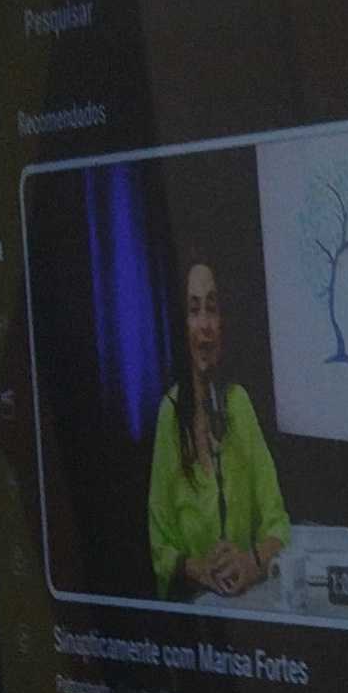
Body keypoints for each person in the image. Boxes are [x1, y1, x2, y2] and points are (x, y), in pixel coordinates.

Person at [147, 256, 290, 600]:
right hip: (193, 611)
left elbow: (278, 525)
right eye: (194, 310)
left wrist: (251, 561)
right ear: (181, 325)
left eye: (212, 309)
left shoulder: (239, 404)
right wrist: (199, 569)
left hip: (245, 609)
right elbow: (160, 546)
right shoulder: (169, 414)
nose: (205, 325)